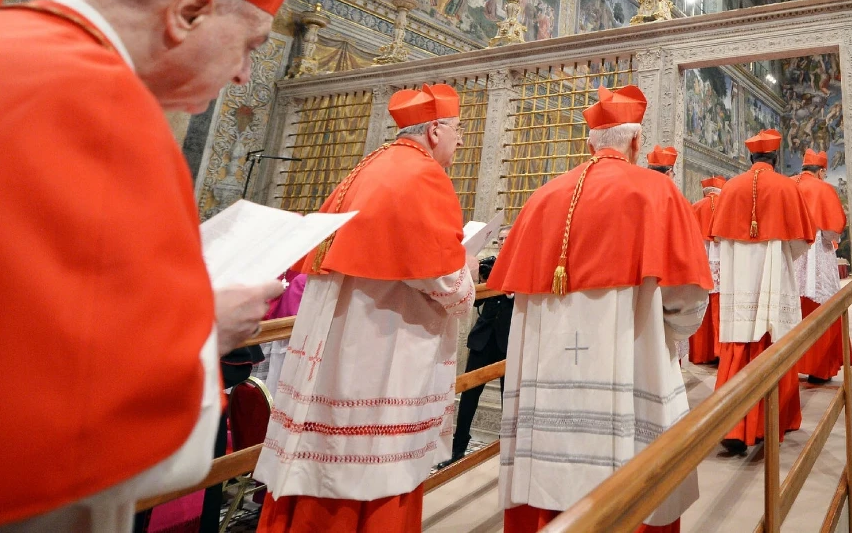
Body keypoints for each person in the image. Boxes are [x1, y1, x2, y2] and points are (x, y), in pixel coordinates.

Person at [0, 0, 296, 531]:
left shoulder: (9, 38)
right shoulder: (103, 102)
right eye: (251, 45)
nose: (245, 75)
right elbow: (77, 403)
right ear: (189, 11)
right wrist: (208, 329)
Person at [255, 84, 478, 533]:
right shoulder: (422, 175)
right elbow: (444, 281)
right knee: (370, 472)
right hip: (381, 348)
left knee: (325, 463)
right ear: (435, 130)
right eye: (458, 130)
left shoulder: (370, 166)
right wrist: (468, 269)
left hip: (343, 348)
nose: (460, 140)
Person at [489, 85, 711, 532]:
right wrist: (671, 334)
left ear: (589, 143)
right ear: (636, 142)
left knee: (550, 472)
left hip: (549, 376)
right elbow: (686, 299)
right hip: (632, 364)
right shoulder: (658, 192)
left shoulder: (543, 197)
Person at [710, 129, 815, 455]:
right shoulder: (786, 187)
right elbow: (800, 242)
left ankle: (733, 423)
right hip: (773, 277)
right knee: (772, 340)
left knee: (739, 341)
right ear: (775, 157)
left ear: (750, 157)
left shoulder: (730, 188)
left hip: (738, 277)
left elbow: (719, 238)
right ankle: (771, 421)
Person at [792, 149, 848, 384]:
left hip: (788, 254)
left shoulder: (788, 184)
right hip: (814, 253)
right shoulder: (823, 188)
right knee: (821, 304)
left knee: (793, 305)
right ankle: (819, 368)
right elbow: (832, 230)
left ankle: (792, 365)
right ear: (822, 171)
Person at [451, 256, 512, 463]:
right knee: (469, 395)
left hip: (509, 343)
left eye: (505, 240)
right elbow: (476, 301)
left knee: (509, 398)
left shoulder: (522, 266)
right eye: (500, 240)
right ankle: (458, 447)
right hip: (482, 341)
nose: (502, 242)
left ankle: (506, 448)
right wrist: (480, 278)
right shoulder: (493, 267)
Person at [687, 177, 725, 365]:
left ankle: (701, 353)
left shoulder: (695, 207)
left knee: (701, 304)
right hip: (722, 263)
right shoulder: (726, 207)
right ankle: (721, 351)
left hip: (700, 262)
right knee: (721, 306)